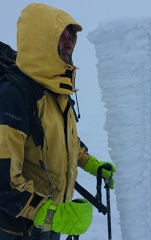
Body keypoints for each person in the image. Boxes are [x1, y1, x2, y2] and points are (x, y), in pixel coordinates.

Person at [0, 3, 116, 240]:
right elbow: (3, 182)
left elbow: (66, 140)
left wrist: (91, 163)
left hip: (50, 223)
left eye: (70, 35)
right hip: (18, 230)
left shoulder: (58, 91)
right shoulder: (13, 97)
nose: (69, 43)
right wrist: (52, 214)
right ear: (39, 41)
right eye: (60, 36)